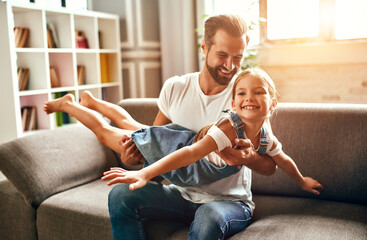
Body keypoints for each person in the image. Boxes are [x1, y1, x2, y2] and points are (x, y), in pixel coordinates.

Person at [45, 14, 276, 239]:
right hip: (181, 194)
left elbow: (269, 166)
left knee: (208, 215)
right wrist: (132, 161)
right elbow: (155, 142)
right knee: (121, 194)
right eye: (222, 55)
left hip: (227, 202)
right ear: (204, 48)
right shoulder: (176, 88)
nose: (230, 65)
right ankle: (81, 104)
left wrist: (249, 158)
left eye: (238, 57)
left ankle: (81, 105)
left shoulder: (245, 96)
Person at [101, 67, 324, 194]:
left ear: (273, 103)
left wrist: (302, 180)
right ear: (234, 104)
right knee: (116, 133)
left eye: (259, 92)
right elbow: (190, 154)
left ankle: (89, 104)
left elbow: (283, 161)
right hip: (184, 151)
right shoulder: (229, 129)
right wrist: (144, 173)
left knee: (131, 125)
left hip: (195, 156)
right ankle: (82, 107)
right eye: (242, 93)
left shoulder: (266, 137)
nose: (250, 98)